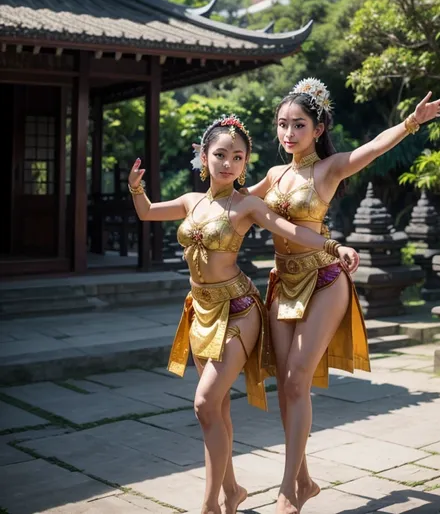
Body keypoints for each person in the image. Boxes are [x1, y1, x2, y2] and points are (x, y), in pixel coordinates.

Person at [128, 114, 360, 514]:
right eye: (220, 154)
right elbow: (147, 212)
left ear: (245, 164)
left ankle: (210, 507)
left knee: (204, 402)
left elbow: (291, 231)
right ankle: (231, 491)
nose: (228, 163)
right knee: (215, 409)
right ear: (204, 156)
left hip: (238, 310)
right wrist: (136, 188)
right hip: (200, 309)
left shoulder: (248, 204)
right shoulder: (190, 202)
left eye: (237, 157)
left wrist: (332, 246)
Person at [243, 79, 440, 514]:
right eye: (282, 125)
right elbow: (235, 206)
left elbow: (373, 148)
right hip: (282, 281)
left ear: (317, 129)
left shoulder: (329, 168)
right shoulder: (274, 175)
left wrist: (411, 122)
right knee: (285, 387)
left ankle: (287, 492)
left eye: (298, 124)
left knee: (298, 379)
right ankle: (303, 480)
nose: (288, 133)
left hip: (324, 280)